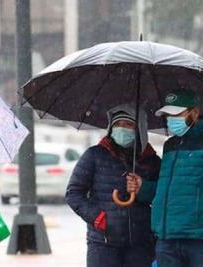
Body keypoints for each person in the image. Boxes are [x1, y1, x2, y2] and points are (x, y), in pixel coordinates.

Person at [127, 89, 203, 267]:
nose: (170, 120)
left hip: (201, 243)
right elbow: (169, 192)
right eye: (167, 115)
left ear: (194, 112)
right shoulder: (171, 145)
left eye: (176, 114)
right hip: (167, 242)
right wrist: (143, 188)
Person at [66, 104, 161, 267]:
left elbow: (163, 196)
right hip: (103, 243)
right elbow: (74, 193)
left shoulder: (152, 161)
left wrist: (143, 188)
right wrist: (97, 217)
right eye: (117, 124)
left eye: (128, 125)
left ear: (139, 130)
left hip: (142, 243)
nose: (122, 129)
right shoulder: (94, 155)